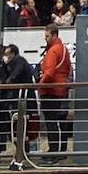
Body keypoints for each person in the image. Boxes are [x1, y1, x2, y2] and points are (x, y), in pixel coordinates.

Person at [38, 23, 73, 157]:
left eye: (47, 36)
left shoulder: (53, 51)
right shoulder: (64, 49)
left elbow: (49, 72)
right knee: (58, 122)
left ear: (54, 35)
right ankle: (59, 149)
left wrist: (39, 85)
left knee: (51, 122)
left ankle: (53, 151)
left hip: (50, 90)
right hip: (60, 89)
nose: (45, 39)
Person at [0, 41, 36, 153]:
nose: (5, 57)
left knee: (20, 127)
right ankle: (21, 150)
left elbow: (13, 78)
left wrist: (4, 84)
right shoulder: (9, 64)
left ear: (13, 54)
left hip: (23, 99)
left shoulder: (19, 61)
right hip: (17, 99)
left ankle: (23, 150)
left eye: (7, 54)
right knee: (14, 127)